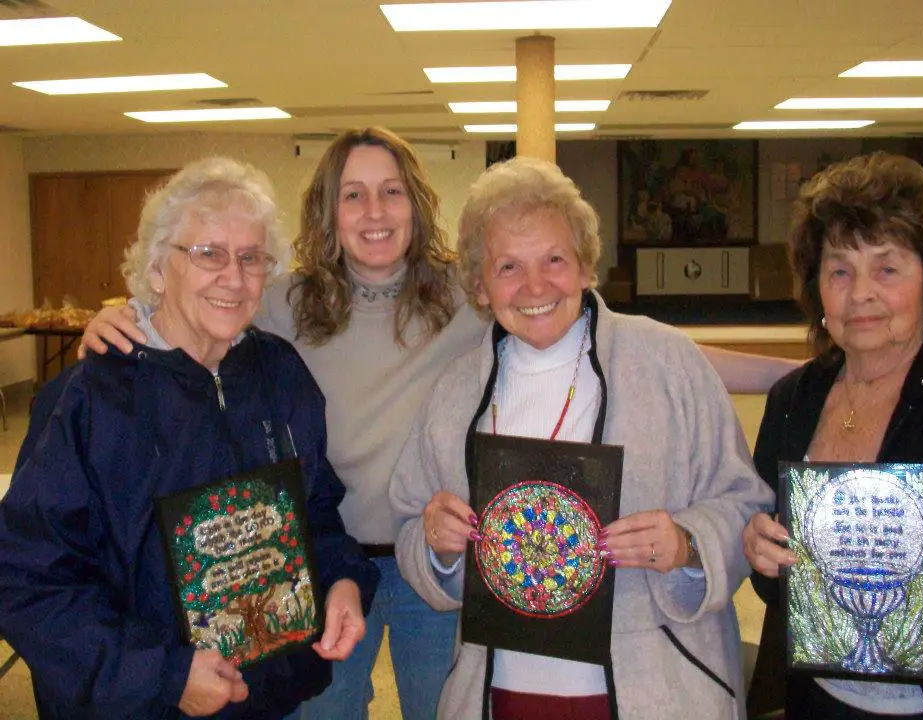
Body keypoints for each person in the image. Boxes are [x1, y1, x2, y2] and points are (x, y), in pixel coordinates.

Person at [78, 128, 798, 719]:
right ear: (327, 213)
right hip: (327, 564)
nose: (374, 210)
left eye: (392, 191)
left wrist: (797, 376)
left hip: (438, 568)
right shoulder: (280, 298)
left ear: (417, 206)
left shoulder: (464, 291)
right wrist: (126, 316)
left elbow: (626, 339)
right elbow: (202, 296)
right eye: (352, 195)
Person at [389, 156, 775, 719]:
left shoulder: (666, 361)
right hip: (500, 689)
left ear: (586, 265)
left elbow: (744, 500)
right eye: (508, 268)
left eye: (554, 260)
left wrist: (687, 545)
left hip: (652, 688)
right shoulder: (454, 393)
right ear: (479, 284)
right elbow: (408, 524)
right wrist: (436, 546)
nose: (535, 286)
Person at [0, 157, 380, 719]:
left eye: (252, 257)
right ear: (157, 270)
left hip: (267, 699)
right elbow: (28, 580)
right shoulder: (90, 400)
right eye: (208, 254)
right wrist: (165, 676)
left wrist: (341, 577)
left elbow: (315, 508)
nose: (234, 276)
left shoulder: (278, 373)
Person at [743, 152, 923, 719]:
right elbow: (777, 588)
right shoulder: (793, 401)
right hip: (816, 698)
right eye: (840, 270)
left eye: (887, 269)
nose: (860, 293)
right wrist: (760, 552)